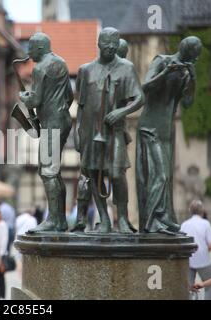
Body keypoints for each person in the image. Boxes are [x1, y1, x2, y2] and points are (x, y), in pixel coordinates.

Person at [74, 27, 144, 233]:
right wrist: (79, 133)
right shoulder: (86, 70)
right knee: (94, 173)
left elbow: (140, 98)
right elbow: (81, 106)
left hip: (115, 130)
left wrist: (121, 112)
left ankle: (122, 217)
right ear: (98, 44)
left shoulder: (126, 68)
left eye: (114, 45)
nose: (110, 49)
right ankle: (104, 218)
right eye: (106, 45)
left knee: (116, 173)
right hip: (90, 131)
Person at [137, 36, 202, 235]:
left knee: (167, 177)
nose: (196, 60)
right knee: (160, 176)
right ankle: (151, 221)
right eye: (195, 56)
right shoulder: (162, 60)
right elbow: (145, 87)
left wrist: (193, 79)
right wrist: (165, 72)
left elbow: (188, 103)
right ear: (186, 50)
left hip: (166, 129)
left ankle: (164, 217)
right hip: (150, 126)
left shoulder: (186, 72)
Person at [19, 32, 74, 232]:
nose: (28, 52)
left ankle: (54, 219)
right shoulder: (61, 63)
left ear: (40, 48)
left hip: (51, 123)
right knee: (55, 172)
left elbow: (35, 100)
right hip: (63, 120)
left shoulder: (40, 68)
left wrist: (24, 97)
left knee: (48, 171)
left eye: (31, 48)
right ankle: (60, 220)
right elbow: (68, 95)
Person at [181, 200, 211, 300]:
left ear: (190, 211)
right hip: (203, 260)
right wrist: (204, 250)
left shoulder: (184, 224)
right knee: (210, 286)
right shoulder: (205, 224)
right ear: (202, 210)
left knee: (189, 287)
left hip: (188, 260)